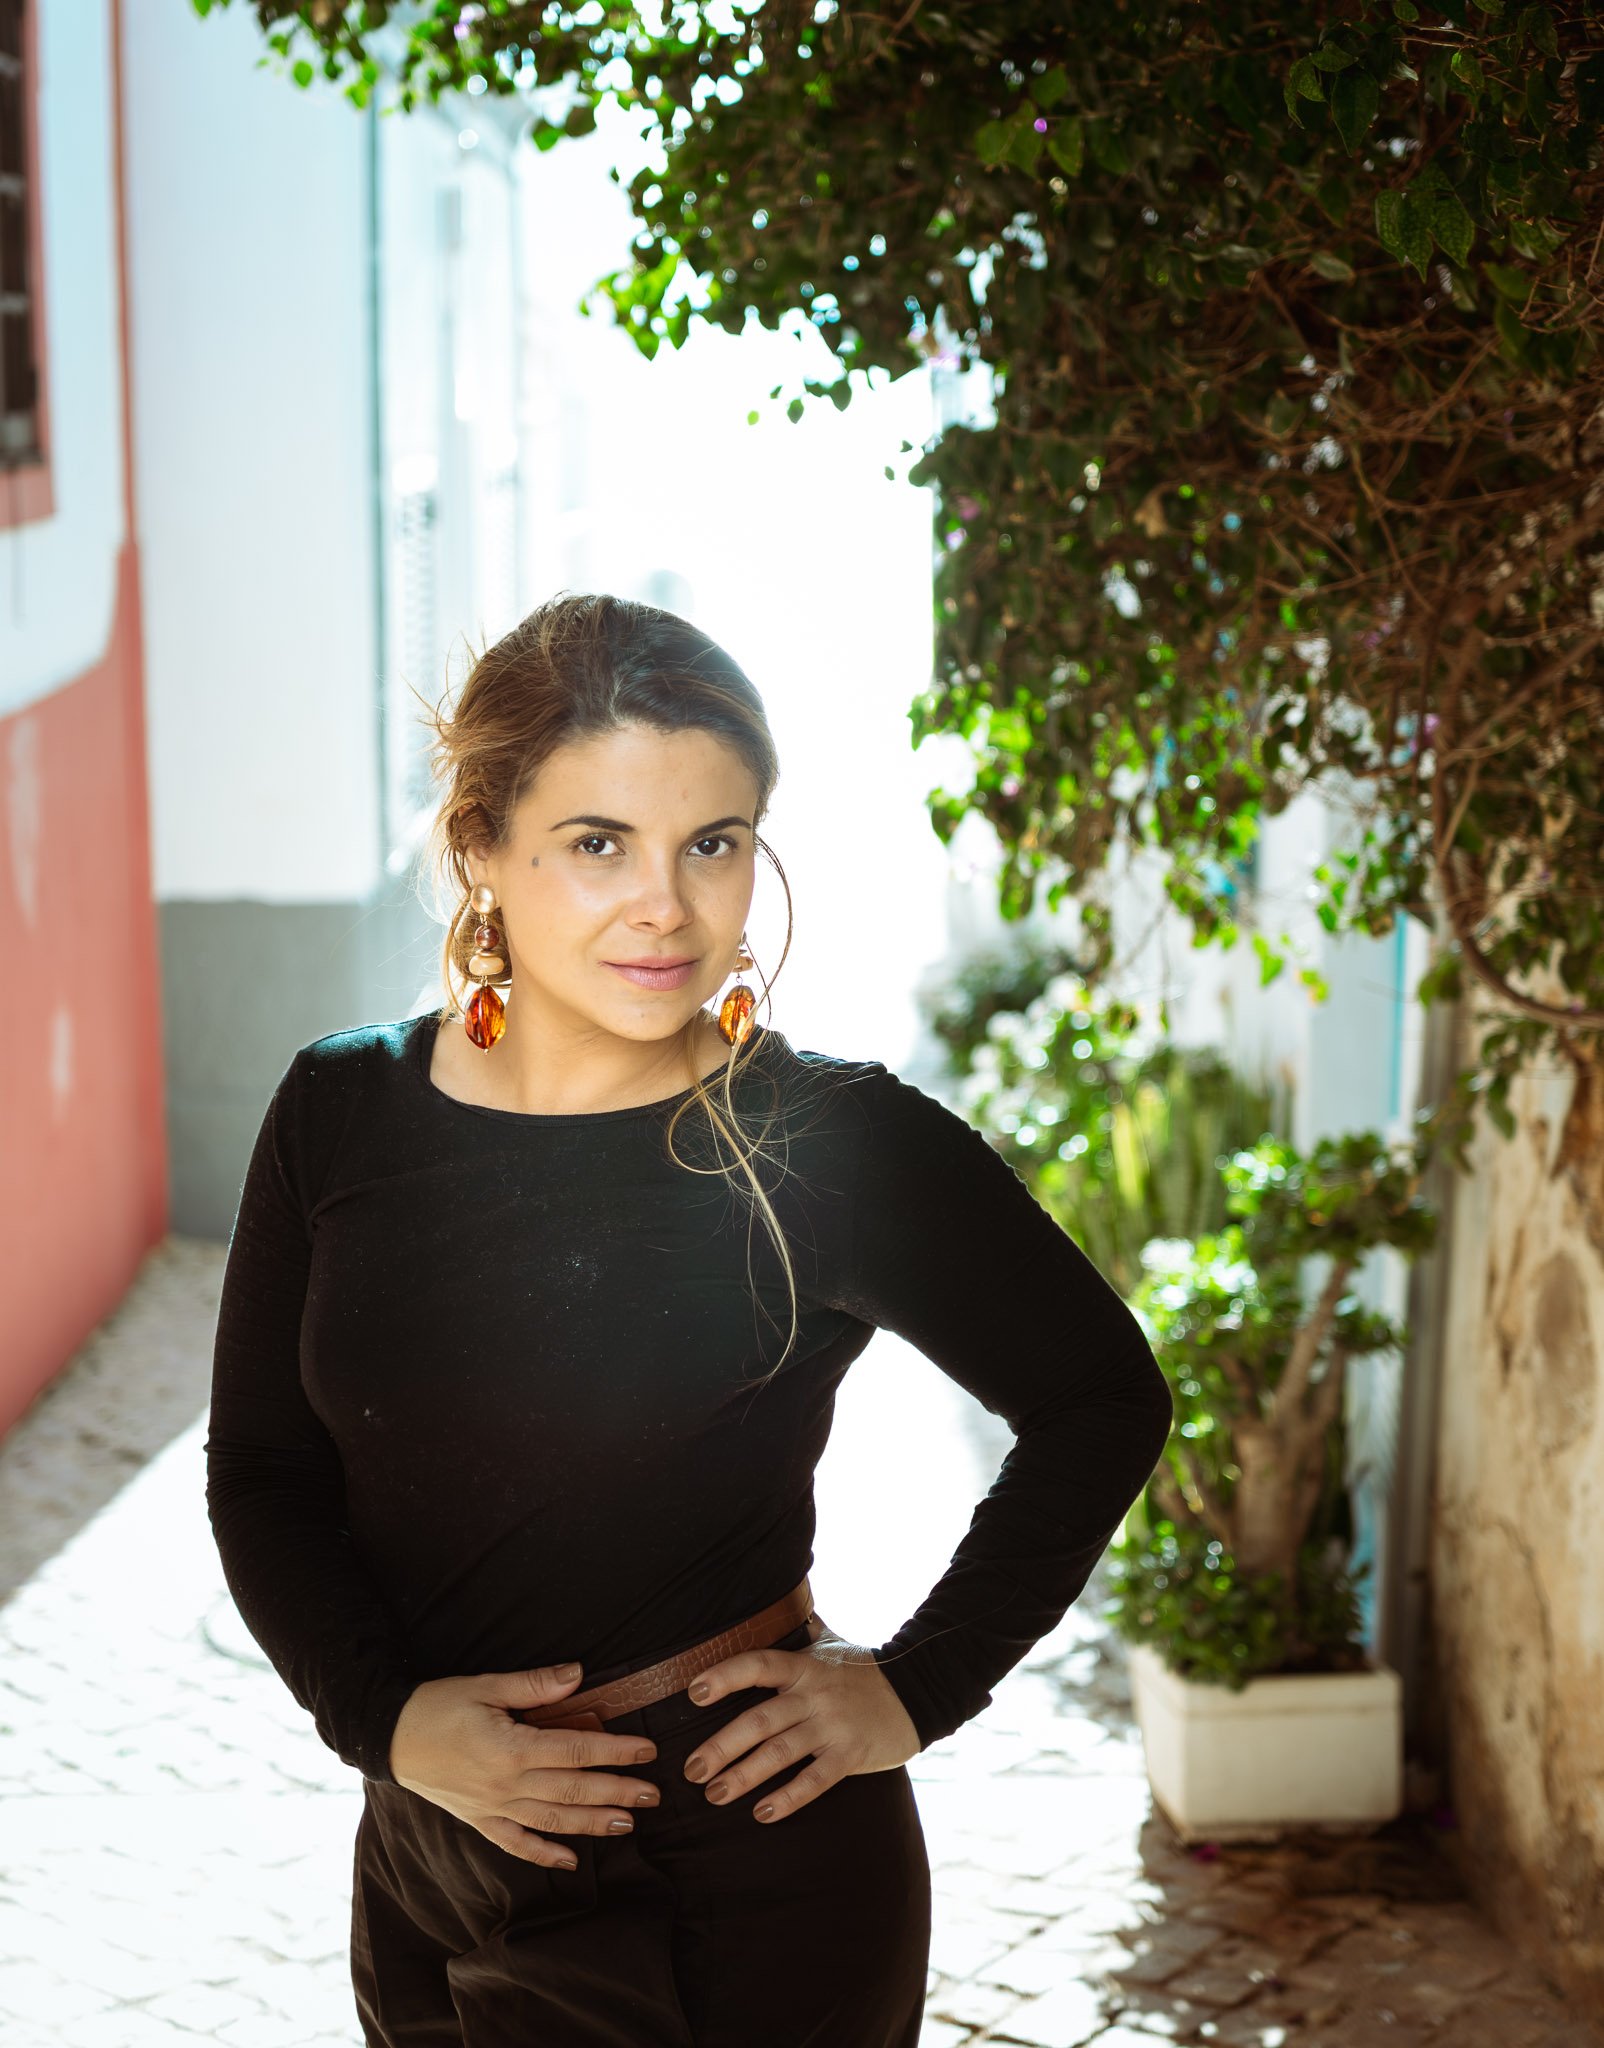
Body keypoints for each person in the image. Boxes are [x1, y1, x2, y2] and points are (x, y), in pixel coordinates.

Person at [205, 591, 1175, 2048]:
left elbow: (1103, 1396)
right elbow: (265, 1472)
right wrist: (386, 1724)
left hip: (738, 1885)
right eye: (598, 843)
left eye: (713, 843)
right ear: (480, 847)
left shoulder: (829, 1142)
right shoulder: (339, 1111)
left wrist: (917, 1688)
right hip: (428, 1861)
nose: (667, 905)